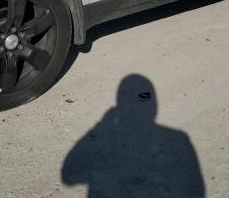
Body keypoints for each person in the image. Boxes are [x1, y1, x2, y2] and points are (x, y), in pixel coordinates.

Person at [62, 74, 205, 198]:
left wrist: (101, 125)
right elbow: (195, 189)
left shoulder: (177, 138)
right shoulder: (178, 138)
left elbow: (68, 176)